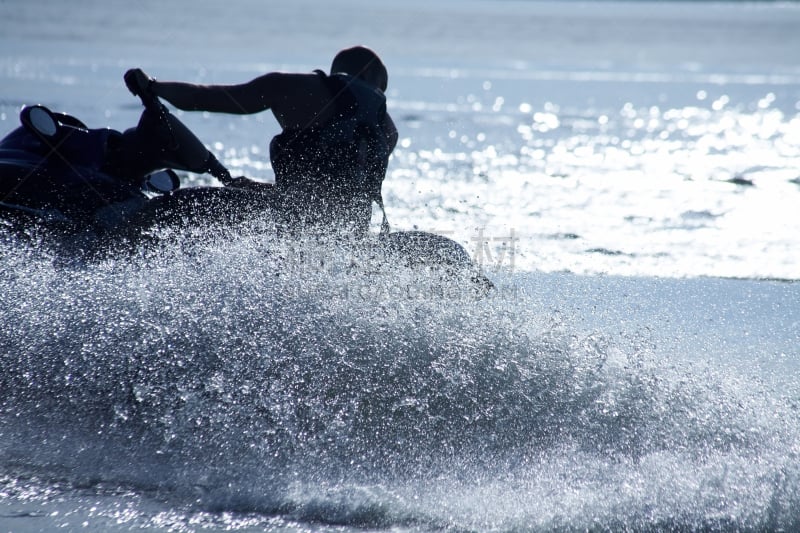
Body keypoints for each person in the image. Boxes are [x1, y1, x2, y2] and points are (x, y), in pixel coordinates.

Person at [126, 46, 398, 236]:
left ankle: (111, 250)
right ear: (375, 87)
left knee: (175, 205)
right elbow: (330, 195)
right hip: (348, 236)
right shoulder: (386, 131)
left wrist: (153, 86)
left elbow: (209, 97)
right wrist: (257, 189)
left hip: (291, 222)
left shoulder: (297, 87)